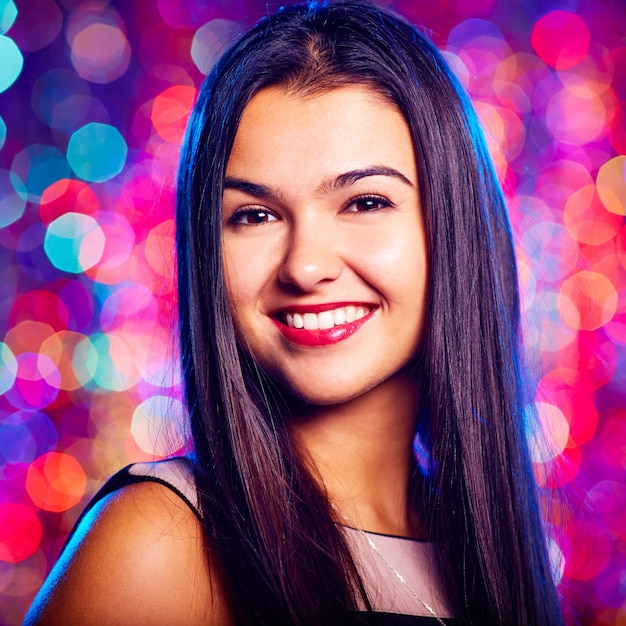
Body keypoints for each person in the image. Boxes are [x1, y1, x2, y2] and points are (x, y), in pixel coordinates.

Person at [25, 1, 565, 624]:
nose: (305, 267)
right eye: (254, 216)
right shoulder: (157, 544)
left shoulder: (487, 551)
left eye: (364, 202)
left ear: (453, 226)